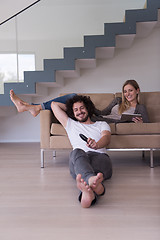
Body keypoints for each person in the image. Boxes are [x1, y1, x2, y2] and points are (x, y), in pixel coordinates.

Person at [51, 94, 112, 208]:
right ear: (72, 113)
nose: (79, 112)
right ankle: (97, 187)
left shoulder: (101, 124)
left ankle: (86, 191)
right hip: (79, 159)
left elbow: (106, 138)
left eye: (82, 108)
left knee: (85, 174)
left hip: (100, 157)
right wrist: (70, 109)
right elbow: (54, 105)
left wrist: (97, 144)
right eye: (76, 110)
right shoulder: (71, 124)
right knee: (77, 152)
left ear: (88, 108)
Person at [10, 79, 149, 123]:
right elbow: (104, 112)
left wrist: (140, 123)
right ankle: (34, 107)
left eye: (130, 90)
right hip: (96, 116)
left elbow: (148, 125)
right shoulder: (118, 100)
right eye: (125, 91)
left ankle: (33, 107)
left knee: (69, 103)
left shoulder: (140, 108)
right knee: (74, 96)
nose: (127, 94)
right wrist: (91, 109)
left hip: (99, 121)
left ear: (137, 90)